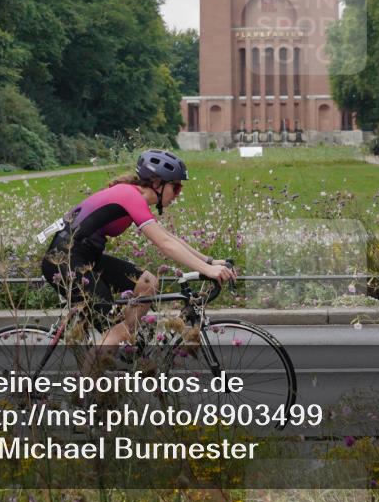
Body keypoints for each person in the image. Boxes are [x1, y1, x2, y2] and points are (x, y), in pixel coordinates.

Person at [40, 149, 236, 351]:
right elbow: (165, 244)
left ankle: (126, 347)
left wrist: (209, 262)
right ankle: (90, 378)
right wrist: (207, 270)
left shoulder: (134, 197)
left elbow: (169, 237)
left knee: (147, 283)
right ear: (158, 183)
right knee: (115, 331)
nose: (178, 194)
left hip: (86, 257)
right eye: (176, 187)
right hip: (63, 262)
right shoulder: (129, 195)